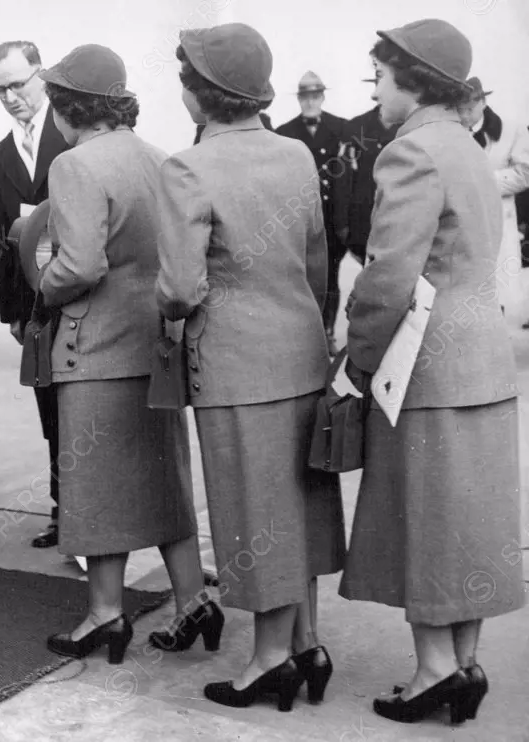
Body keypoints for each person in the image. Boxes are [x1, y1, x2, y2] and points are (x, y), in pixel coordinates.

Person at [339, 19, 524, 726]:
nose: (376, 92)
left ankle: (433, 671)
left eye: (379, 78)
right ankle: (465, 663)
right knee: (468, 522)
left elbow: (389, 277)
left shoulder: (409, 153)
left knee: (423, 516)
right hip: (482, 358)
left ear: (410, 80)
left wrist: (357, 359)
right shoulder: (471, 149)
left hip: (426, 362)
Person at [157, 24, 346, 712]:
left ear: (199, 95)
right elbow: (318, 259)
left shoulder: (187, 167)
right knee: (299, 503)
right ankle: (306, 642)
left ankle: (269, 661)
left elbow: (178, 287)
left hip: (233, 361)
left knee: (252, 509)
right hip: (299, 349)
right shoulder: (296, 152)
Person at [33, 44, 216, 666]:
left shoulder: (74, 165)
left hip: (96, 347)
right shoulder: (159, 159)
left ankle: (105, 614)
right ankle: (193, 601)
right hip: (155, 345)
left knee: (94, 487)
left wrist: (42, 284)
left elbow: (81, 264)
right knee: (165, 478)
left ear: (66, 108)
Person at [0, 39, 70, 549]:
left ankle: (90, 513)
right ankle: (64, 512)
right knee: (50, 411)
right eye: (0, 89)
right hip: (35, 309)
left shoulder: (72, 137)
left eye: (19, 83)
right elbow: (1, 237)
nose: (12, 96)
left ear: (42, 75)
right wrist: (12, 313)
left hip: (82, 297)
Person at [275, 71, 349, 354]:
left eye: (314, 96)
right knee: (301, 276)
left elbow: (347, 181)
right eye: (305, 97)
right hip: (300, 218)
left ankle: (327, 330)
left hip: (330, 219)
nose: (310, 102)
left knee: (330, 277)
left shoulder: (341, 128)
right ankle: (306, 334)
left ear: (322, 97)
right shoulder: (285, 132)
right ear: (299, 100)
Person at [457, 77, 529, 324]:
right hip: (459, 221)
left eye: (469, 108)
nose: (464, 115)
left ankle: (493, 346)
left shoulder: (512, 130)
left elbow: (525, 173)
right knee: (463, 290)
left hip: (497, 218)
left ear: (483, 102)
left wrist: (484, 182)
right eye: (459, 109)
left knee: (495, 290)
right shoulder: (450, 130)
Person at [335, 84, 399, 266]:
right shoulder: (356, 127)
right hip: (362, 228)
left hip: (399, 227)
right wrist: (342, 225)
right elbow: (342, 179)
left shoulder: (410, 127)